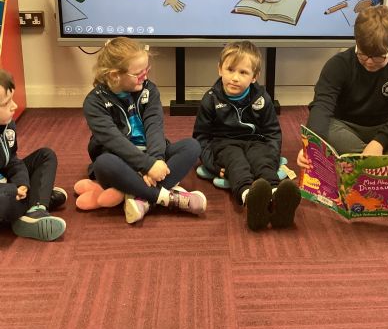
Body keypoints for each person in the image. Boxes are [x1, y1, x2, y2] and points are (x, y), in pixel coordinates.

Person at [83, 37, 205, 224]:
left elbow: (154, 127)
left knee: (192, 146)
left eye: (146, 71)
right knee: (103, 164)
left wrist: (156, 161)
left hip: (152, 156)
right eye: (139, 74)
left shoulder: (149, 90)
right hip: (119, 159)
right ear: (115, 75)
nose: (145, 77)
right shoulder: (94, 102)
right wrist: (146, 165)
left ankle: (139, 196)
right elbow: (113, 141)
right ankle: (165, 198)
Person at [297, 4, 388, 171]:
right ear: (357, 42)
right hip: (347, 129)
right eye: (363, 54)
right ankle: (381, 166)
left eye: (378, 57)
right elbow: (321, 107)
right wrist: (311, 146)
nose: (369, 62)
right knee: (326, 126)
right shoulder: (338, 64)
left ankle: (360, 165)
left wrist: (379, 142)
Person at [193, 41, 301, 231]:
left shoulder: (262, 98)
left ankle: (278, 198)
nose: (235, 78)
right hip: (224, 144)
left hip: (255, 142)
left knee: (261, 161)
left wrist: (272, 157)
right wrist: (213, 165)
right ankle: (250, 200)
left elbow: (272, 132)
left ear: (254, 77)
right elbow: (201, 137)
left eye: (243, 72)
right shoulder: (210, 99)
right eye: (230, 70)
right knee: (237, 164)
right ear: (220, 69)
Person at [0, 70, 67, 241]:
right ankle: (38, 198)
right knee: (4, 201)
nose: (14, 106)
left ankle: (36, 209)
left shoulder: (7, 125)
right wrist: (12, 190)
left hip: (7, 184)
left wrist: (21, 183)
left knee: (46, 155)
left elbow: (12, 161)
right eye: (6, 103)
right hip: (4, 194)